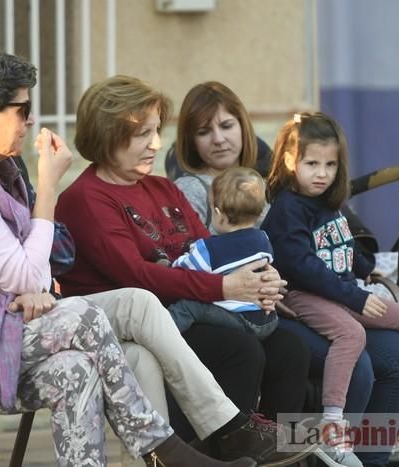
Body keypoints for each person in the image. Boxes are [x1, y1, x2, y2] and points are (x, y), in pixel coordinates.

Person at [0, 49, 258, 467]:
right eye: (23, 109)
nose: (31, 120)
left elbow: (44, 261)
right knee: (84, 318)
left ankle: (226, 428)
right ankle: (166, 452)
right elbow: (26, 275)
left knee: (90, 352)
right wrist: (49, 185)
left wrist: (32, 286)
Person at [55, 75, 316, 465]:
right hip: (140, 327)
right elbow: (137, 277)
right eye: (143, 134)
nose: (156, 144)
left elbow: (210, 249)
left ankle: (270, 454)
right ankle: (222, 448)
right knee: (240, 351)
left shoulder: (162, 187)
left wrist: (260, 280)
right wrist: (228, 287)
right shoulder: (85, 198)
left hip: (189, 311)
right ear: (108, 135)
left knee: (290, 348)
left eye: (156, 131)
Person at [261, 112, 399, 466]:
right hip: (303, 295)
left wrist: (369, 269)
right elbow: (300, 266)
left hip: (342, 292)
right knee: (351, 335)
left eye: (330, 164)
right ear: (290, 160)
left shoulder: (328, 202)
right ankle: (332, 426)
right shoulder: (287, 209)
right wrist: (357, 296)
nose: (322, 173)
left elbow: (345, 248)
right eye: (312, 163)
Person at [168, 167, 278, 339]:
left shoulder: (209, 248)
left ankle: (163, 334)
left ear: (218, 214)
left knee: (188, 306)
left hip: (241, 320)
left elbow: (181, 270)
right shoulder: (263, 239)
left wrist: (171, 261)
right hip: (268, 319)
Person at [172, 81, 270, 232]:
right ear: (191, 141)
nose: (218, 139)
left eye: (226, 126)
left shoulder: (271, 183)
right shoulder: (190, 190)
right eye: (203, 132)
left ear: (243, 126)